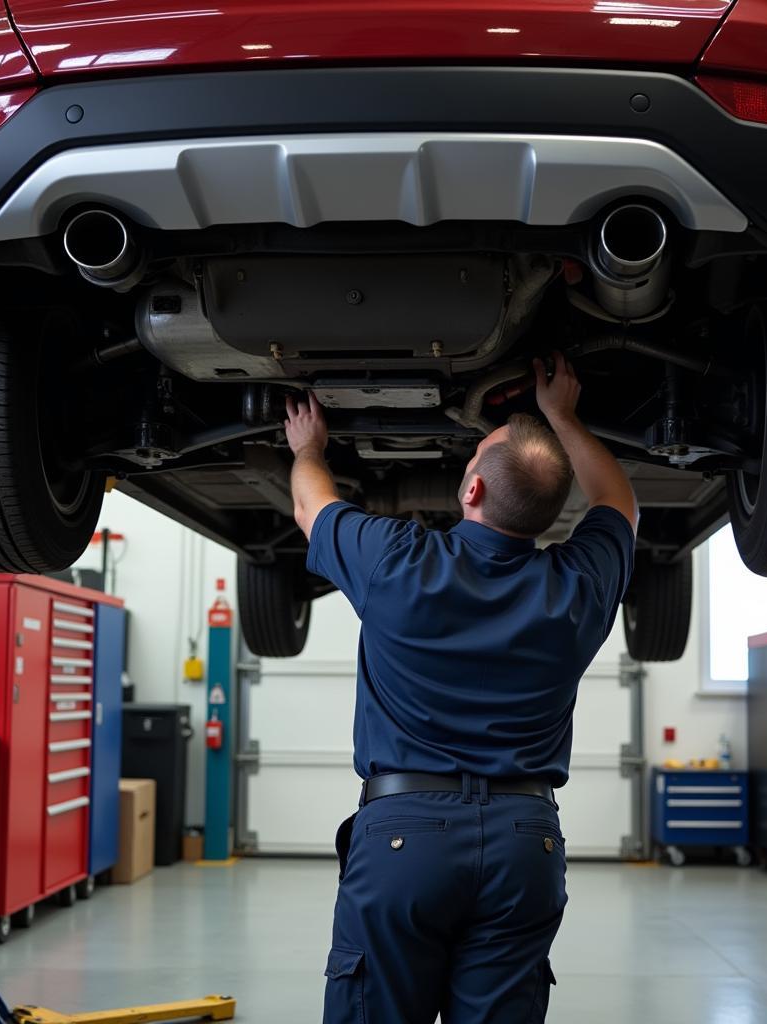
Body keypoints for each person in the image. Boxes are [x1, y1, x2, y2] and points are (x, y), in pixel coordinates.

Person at [284, 353, 638, 1024]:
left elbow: (310, 501)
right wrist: (562, 416)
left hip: (404, 840)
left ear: (471, 490)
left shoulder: (397, 561)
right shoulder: (579, 590)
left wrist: (309, 447)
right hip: (523, 845)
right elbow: (618, 501)